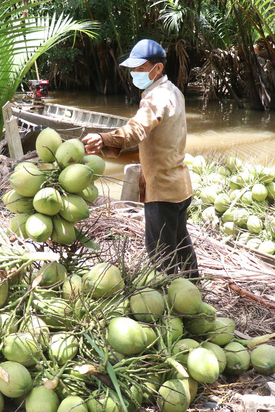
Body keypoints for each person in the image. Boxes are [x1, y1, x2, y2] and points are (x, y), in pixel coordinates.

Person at [82, 39, 198, 278]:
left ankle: (164, 295)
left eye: (140, 69)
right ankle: (192, 286)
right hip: (179, 184)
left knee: (160, 253)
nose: (135, 74)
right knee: (180, 242)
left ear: (157, 69)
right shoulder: (173, 91)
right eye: (133, 69)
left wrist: (104, 139)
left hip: (162, 189)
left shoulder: (155, 99)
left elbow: (136, 130)